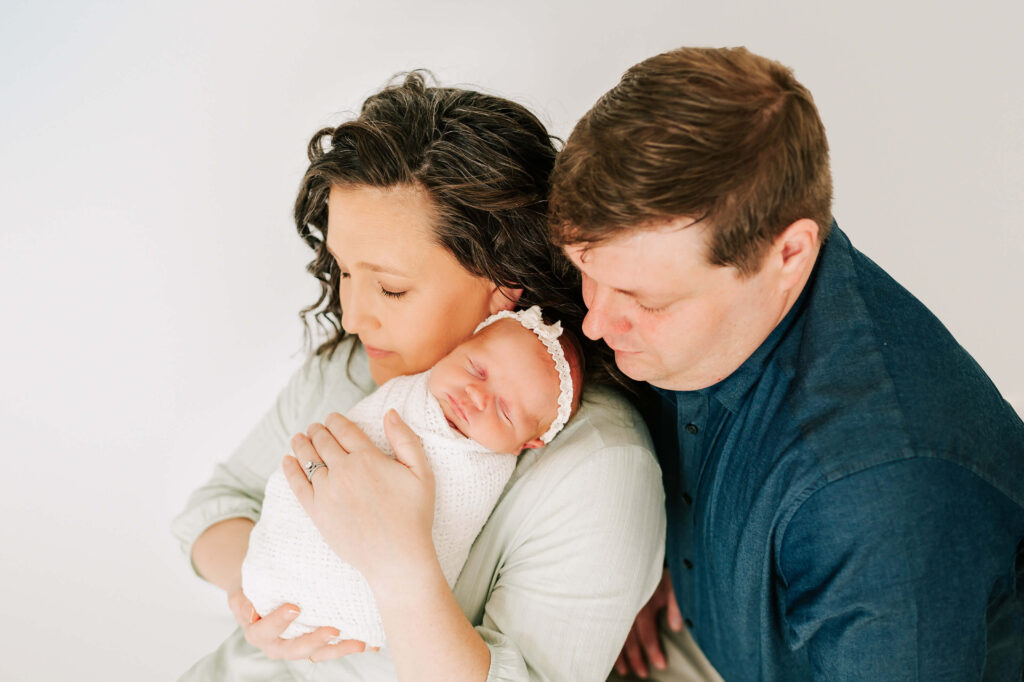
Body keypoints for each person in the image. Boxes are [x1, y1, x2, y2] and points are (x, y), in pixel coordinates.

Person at [548, 47, 1024, 681]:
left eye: (646, 301)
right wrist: (638, 568)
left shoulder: (878, 498)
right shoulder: (726, 273)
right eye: (587, 273)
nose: (597, 324)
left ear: (789, 254)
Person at [171, 72, 666, 682]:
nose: (352, 316)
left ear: (502, 285)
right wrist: (259, 598)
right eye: (345, 272)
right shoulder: (352, 369)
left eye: (391, 287)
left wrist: (399, 565)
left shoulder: (596, 469)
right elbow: (215, 508)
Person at [241, 306, 584, 647]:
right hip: (277, 557)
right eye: (475, 369)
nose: (475, 395)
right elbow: (221, 497)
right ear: (458, 346)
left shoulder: (484, 471)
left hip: (382, 609)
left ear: (527, 443)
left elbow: (447, 534)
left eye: (504, 410)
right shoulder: (380, 378)